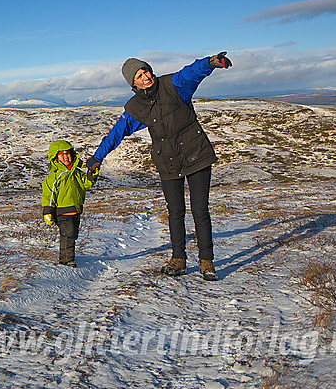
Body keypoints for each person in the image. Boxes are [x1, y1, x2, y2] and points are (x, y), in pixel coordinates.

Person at [86, 52, 232, 281]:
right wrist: (97, 157)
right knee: (175, 212)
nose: (146, 77)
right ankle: (178, 259)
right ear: (132, 84)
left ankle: (206, 261)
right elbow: (117, 132)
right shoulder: (135, 107)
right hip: (168, 161)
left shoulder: (173, 85)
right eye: (139, 76)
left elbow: (190, 73)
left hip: (196, 153)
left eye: (146, 71)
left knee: (200, 211)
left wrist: (209, 63)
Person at [41, 140, 97, 268]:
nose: (66, 157)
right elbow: (49, 195)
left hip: (76, 210)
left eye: (68, 154)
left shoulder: (76, 173)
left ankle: (68, 257)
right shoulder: (54, 176)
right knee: (68, 234)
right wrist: (48, 211)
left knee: (73, 235)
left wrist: (92, 174)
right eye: (62, 155)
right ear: (55, 158)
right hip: (62, 211)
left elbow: (87, 183)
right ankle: (66, 260)